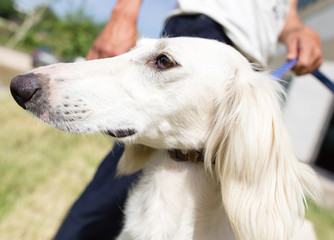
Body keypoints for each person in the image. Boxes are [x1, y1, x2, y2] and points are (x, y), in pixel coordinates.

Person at [54, 0, 323, 239]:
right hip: (202, 33)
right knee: (114, 191)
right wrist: (123, 12)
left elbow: (284, 12)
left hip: (248, 62)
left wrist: (295, 29)